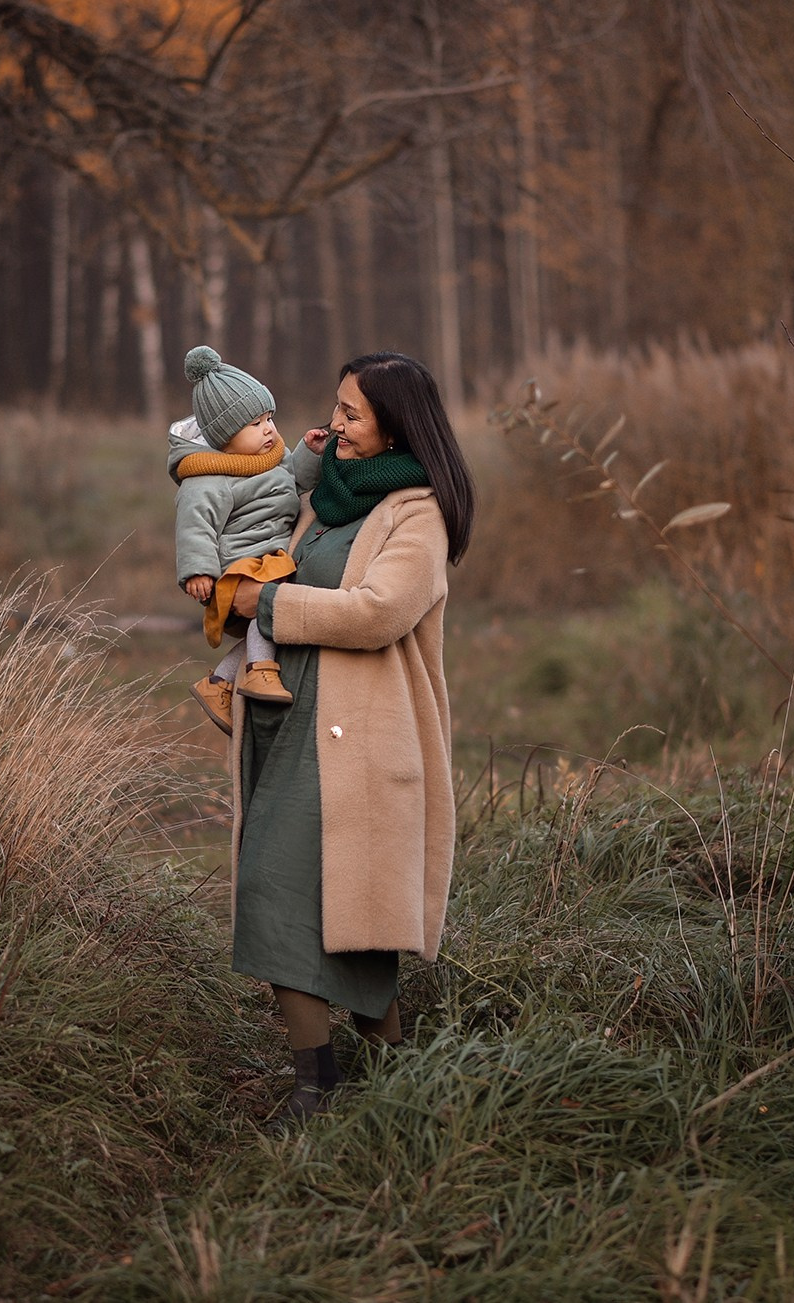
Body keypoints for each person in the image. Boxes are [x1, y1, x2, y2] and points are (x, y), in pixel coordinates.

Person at [224, 351, 476, 1125]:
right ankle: (359, 1081)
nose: (335, 423)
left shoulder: (418, 513)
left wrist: (268, 605)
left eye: (352, 413)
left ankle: (349, 1084)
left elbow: (377, 613)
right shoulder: (328, 497)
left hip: (360, 740)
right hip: (289, 719)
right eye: (336, 406)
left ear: (396, 423)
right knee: (306, 904)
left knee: (318, 910)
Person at [169, 345, 323, 733]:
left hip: (268, 557)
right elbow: (194, 525)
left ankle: (219, 683)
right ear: (224, 436)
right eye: (255, 424)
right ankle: (258, 670)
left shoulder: (270, 457)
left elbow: (295, 480)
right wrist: (197, 572)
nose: (269, 429)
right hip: (239, 565)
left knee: (275, 616)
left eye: (269, 417)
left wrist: (310, 453)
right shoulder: (207, 478)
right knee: (275, 602)